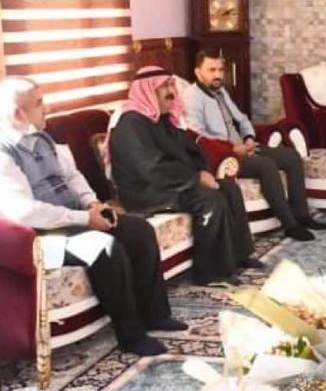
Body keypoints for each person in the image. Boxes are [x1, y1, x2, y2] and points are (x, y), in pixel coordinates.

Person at [0, 77, 184, 356]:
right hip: (36, 239)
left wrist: (92, 204)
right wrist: (84, 219)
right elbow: (25, 212)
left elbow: (72, 175)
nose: (47, 108)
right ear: (18, 113)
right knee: (105, 248)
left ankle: (155, 315)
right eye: (39, 103)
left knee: (138, 231)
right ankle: (132, 336)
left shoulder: (40, 135)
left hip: (70, 218)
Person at [109, 67, 262, 285]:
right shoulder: (131, 123)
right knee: (210, 200)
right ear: (148, 90)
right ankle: (211, 273)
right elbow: (151, 168)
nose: (171, 92)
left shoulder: (161, 120)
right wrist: (195, 178)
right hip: (144, 191)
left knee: (229, 188)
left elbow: (191, 150)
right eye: (164, 86)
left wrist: (203, 170)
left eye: (171, 85)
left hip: (171, 182)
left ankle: (239, 256)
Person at [182, 50, 325, 242]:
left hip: (240, 147)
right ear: (198, 72)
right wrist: (232, 149)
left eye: (220, 70)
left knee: (291, 157)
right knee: (266, 165)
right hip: (222, 157)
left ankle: (302, 215)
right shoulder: (192, 97)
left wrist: (248, 138)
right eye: (211, 70)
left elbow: (242, 119)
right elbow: (198, 138)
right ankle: (290, 225)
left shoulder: (220, 91)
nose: (217, 75)